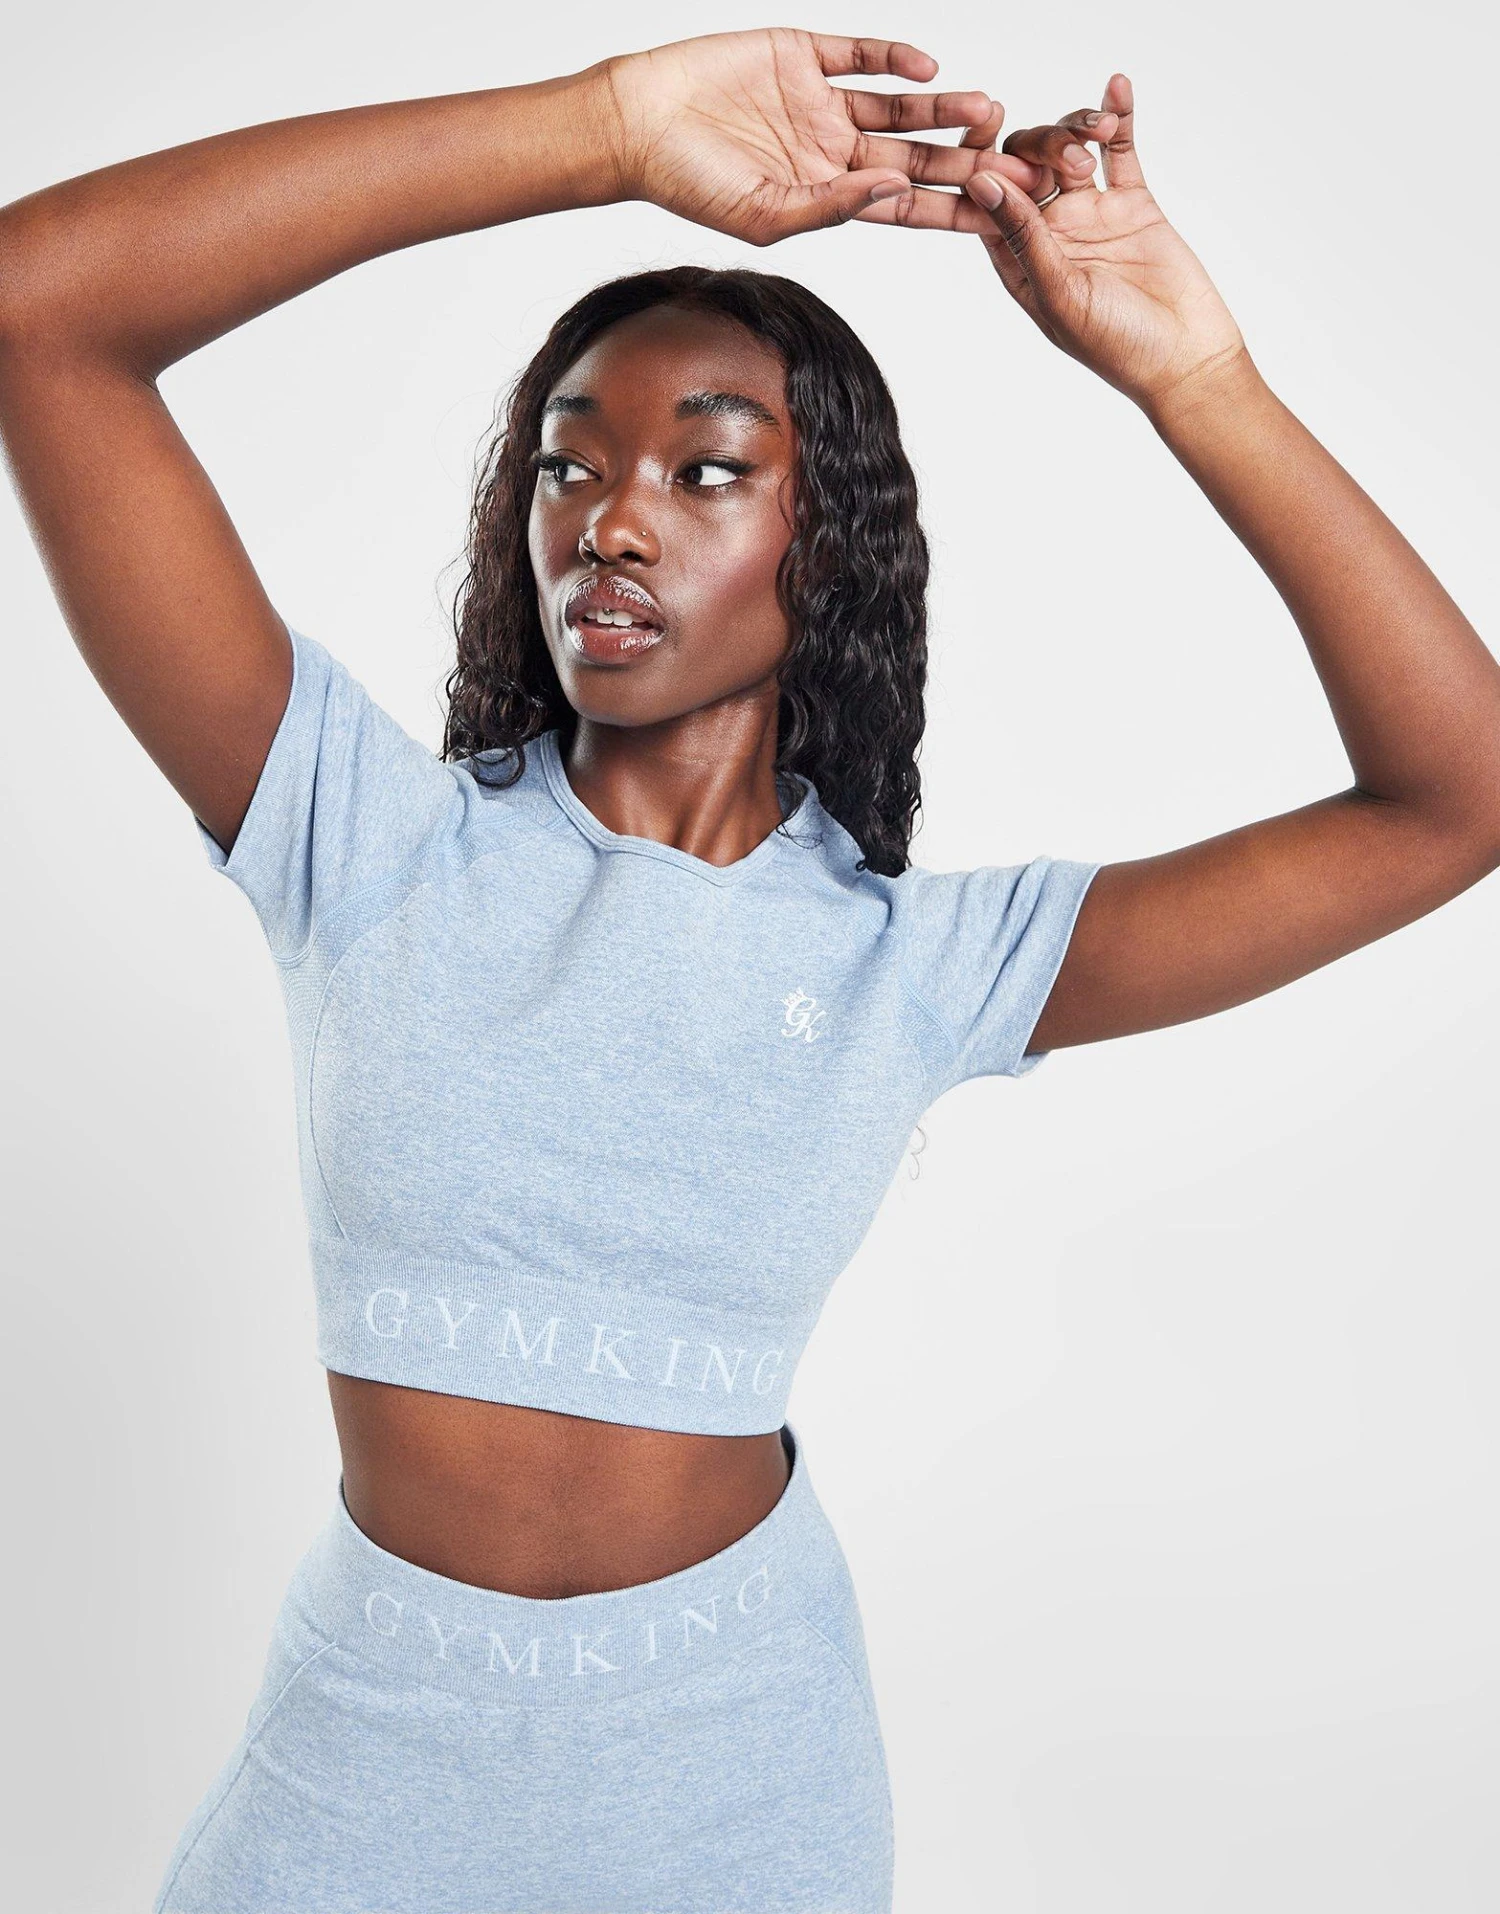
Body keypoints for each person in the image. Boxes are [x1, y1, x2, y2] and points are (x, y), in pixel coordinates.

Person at [2, 24, 1497, 1914]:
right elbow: (40, 307)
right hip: (361, 1768)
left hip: (733, 1783)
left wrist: (1198, 381)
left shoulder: (916, 962)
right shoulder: (361, 837)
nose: (612, 519)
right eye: (568, 465)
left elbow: (1455, 794)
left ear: (828, 547)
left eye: (705, 471)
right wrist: (602, 129)